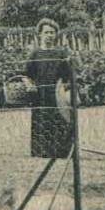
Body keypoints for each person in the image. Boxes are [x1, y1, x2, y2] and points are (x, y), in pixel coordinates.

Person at [22, 17, 77, 160]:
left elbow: (69, 76)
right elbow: (26, 75)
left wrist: (66, 91)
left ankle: (61, 152)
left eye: (52, 33)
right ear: (40, 34)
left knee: (60, 122)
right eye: (46, 32)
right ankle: (41, 152)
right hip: (40, 95)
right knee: (41, 122)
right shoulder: (35, 54)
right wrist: (29, 85)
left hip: (57, 94)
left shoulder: (61, 53)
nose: (49, 36)